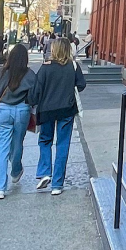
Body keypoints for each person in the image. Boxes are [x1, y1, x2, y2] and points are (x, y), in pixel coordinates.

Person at [32, 37, 86, 195]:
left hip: (47, 109)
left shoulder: (45, 67)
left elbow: (36, 92)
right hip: (67, 109)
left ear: (54, 50)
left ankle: (45, 172)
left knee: (45, 140)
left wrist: (32, 103)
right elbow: (81, 85)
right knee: (63, 144)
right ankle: (57, 184)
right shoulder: (73, 66)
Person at [0, 43, 36, 200]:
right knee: (17, 143)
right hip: (22, 110)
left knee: (1, 149)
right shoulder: (30, 74)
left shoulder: (1, 73)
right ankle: (16, 171)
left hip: (3, 110)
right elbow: (34, 94)